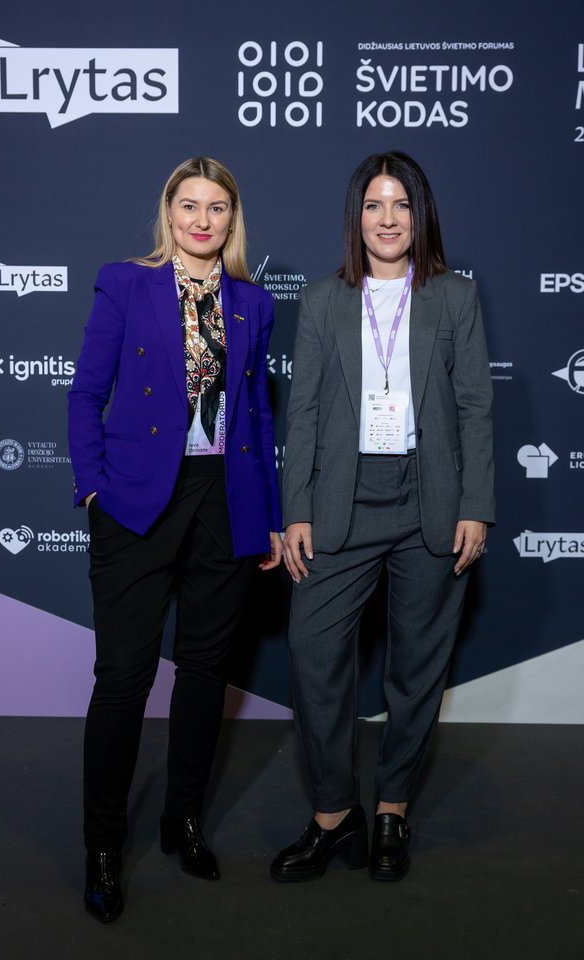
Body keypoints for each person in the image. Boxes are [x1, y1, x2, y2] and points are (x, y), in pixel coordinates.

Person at [68, 156, 282, 922]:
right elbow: (86, 392)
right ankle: (102, 846)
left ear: (232, 219)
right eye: (189, 205)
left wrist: (268, 514)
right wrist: (93, 485)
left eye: (217, 207)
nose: (202, 219)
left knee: (203, 672)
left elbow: (258, 413)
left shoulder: (252, 302)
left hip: (225, 500)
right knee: (124, 677)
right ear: (169, 212)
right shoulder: (125, 284)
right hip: (134, 500)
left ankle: (182, 821)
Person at [271, 151, 494, 883]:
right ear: (356, 217)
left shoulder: (455, 297)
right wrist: (296, 508)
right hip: (341, 499)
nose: (388, 218)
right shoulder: (323, 300)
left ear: (419, 214)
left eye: (401, 204)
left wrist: (476, 504)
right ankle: (335, 814)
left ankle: (393, 807)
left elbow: (475, 407)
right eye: (374, 205)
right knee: (313, 654)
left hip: (432, 498)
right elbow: (302, 413)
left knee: (417, 668)